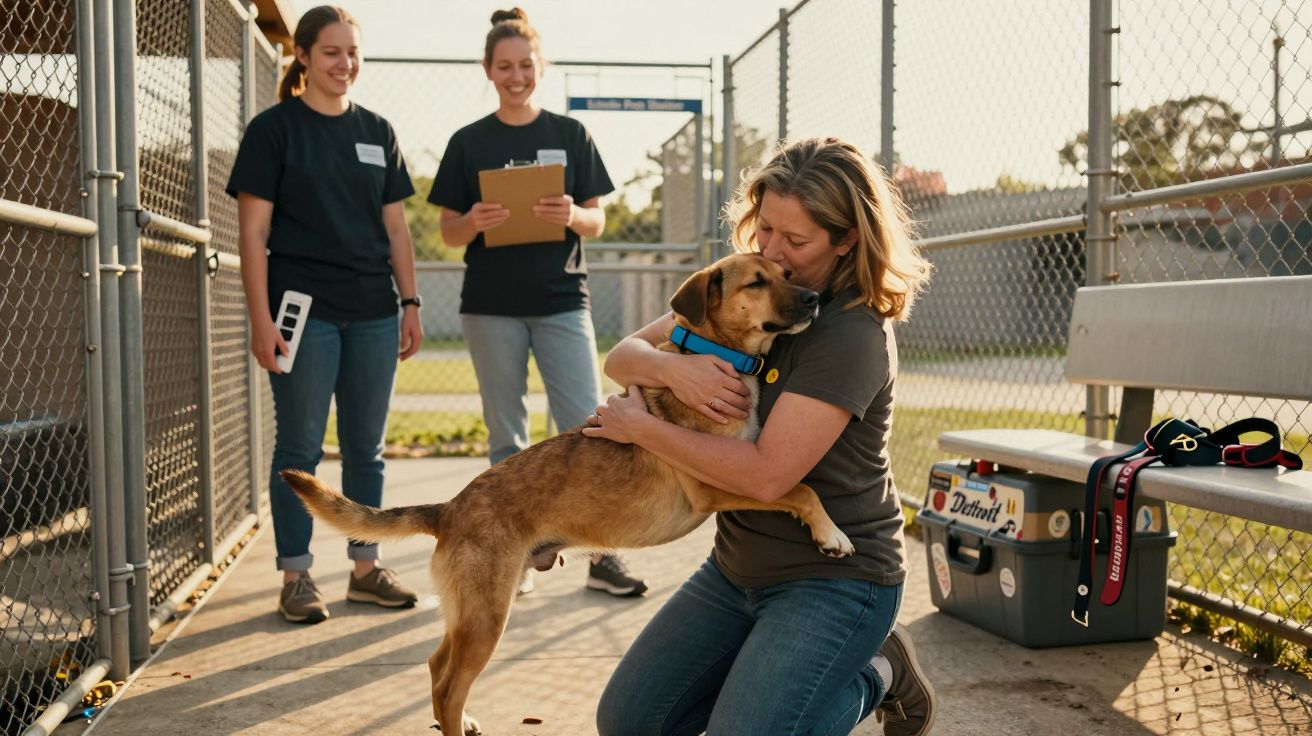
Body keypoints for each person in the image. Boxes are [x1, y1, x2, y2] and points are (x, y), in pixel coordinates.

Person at [586, 138, 939, 735]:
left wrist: (641, 428)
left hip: (836, 581)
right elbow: (622, 358)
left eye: (795, 241)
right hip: (736, 569)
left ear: (846, 238)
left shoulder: (850, 334)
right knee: (629, 723)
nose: (774, 250)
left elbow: (768, 474)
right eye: (766, 228)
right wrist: (674, 368)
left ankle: (878, 672)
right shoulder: (746, 283)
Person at [427, 7, 646, 598]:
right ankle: (514, 559)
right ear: (488, 70)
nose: (516, 75)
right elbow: (447, 231)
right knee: (507, 436)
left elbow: (598, 219)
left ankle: (603, 556)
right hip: (490, 306)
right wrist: (473, 219)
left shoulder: (569, 134)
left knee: (588, 430)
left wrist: (571, 213)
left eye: (526, 65)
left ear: (540, 66)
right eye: (505, 66)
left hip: (560, 301)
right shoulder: (468, 142)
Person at [227, 5, 422, 624]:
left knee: (367, 449)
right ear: (303, 58)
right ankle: (296, 575)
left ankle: (366, 569)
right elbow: (252, 235)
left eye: (353, 53)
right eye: (332, 52)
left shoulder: (378, 131)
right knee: (301, 447)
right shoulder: (274, 130)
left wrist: (410, 302)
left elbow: (397, 227)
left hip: (373, 311)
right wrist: (260, 320)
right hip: (301, 314)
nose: (345, 64)